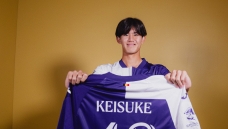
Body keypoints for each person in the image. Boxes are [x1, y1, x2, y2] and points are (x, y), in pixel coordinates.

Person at [64, 17, 192, 90]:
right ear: (118, 39)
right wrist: (75, 81)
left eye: (136, 34)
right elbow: (88, 93)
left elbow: (177, 94)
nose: (131, 39)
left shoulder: (158, 72)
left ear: (143, 39)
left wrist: (184, 83)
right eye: (126, 34)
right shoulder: (103, 71)